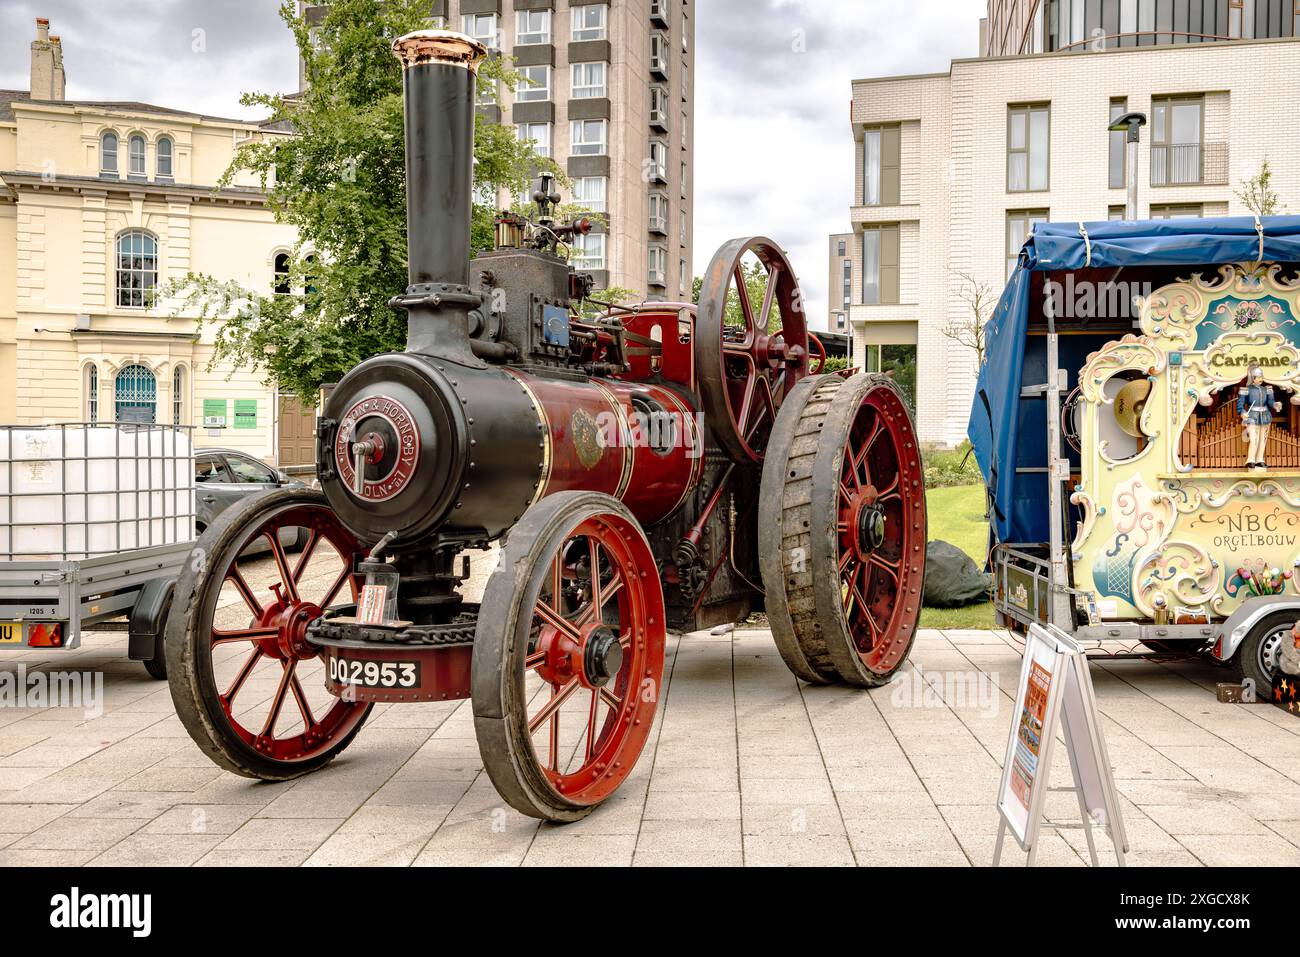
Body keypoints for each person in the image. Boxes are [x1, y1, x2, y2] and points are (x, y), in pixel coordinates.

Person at [1238, 365, 1282, 470]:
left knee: (1263, 439)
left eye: (1261, 377)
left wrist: (1275, 404)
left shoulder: (1267, 389)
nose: (1261, 379)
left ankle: (1259, 459)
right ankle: (1250, 460)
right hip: (1252, 416)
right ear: (1253, 378)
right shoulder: (1246, 389)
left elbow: (1270, 402)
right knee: (1254, 439)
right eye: (1258, 377)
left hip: (1265, 415)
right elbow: (1240, 405)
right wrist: (1242, 412)